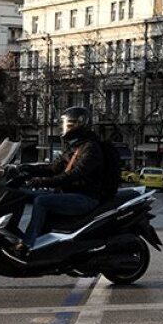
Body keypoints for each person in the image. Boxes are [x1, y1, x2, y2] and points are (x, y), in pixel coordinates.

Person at [19, 106, 117, 249]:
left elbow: (74, 174)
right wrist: (26, 169)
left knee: (41, 201)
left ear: (80, 125)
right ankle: (41, 239)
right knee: (22, 195)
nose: (65, 128)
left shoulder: (90, 148)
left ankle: (28, 244)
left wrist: (42, 182)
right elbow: (53, 168)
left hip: (85, 198)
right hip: (69, 193)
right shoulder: (75, 147)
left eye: (69, 125)